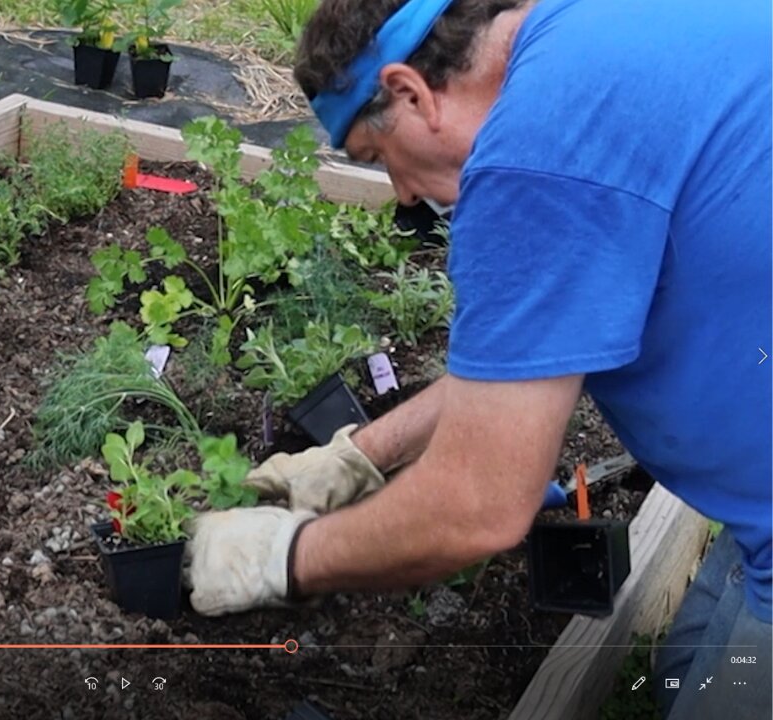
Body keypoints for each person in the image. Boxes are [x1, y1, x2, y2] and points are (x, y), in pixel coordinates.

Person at [181, 1, 772, 718]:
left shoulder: (534, 158)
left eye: (377, 157)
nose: (401, 195)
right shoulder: (585, 30)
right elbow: (536, 359)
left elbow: (479, 507)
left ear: (409, 91)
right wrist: (361, 455)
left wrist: (283, 559)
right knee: (687, 668)